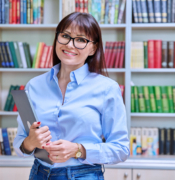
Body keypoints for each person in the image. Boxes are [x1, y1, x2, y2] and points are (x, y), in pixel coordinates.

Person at [13, 12, 129, 180]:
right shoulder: (34, 85)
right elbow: (21, 143)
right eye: (65, 36)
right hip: (39, 173)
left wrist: (78, 149)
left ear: (93, 48)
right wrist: (30, 142)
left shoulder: (107, 89)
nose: (70, 44)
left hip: (84, 175)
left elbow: (121, 149)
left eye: (81, 40)